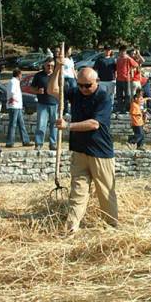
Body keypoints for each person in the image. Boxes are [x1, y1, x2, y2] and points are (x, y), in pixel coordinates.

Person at [48, 66, 118, 234]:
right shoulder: (76, 93)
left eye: (88, 85)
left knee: (106, 192)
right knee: (77, 192)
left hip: (100, 152)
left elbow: (94, 124)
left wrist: (68, 126)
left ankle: (112, 227)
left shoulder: (104, 97)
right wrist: (58, 67)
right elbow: (52, 89)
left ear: (97, 82)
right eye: (80, 85)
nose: (84, 89)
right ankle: (71, 228)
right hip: (79, 150)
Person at [31, 57, 58, 151]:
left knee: (54, 125)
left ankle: (53, 143)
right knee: (41, 125)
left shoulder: (57, 75)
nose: (49, 67)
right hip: (42, 104)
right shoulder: (38, 75)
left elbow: (62, 89)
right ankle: (38, 144)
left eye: (51, 65)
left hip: (55, 104)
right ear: (44, 65)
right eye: (48, 65)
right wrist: (38, 91)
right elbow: (32, 88)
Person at [5, 68, 31, 148]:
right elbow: (12, 92)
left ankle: (25, 140)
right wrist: (13, 99)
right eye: (21, 75)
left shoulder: (15, 82)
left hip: (18, 106)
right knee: (13, 124)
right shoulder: (13, 82)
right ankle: (10, 142)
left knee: (21, 124)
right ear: (19, 74)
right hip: (14, 106)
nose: (21, 76)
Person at [115, 45, 139, 113]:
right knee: (119, 95)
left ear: (125, 52)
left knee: (127, 95)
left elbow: (136, 65)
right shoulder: (118, 59)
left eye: (124, 51)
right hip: (118, 79)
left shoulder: (128, 58)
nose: (122, 53)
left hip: (126, 79)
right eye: (121, 51)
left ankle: (126, 109)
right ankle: (120, 109)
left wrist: (131, 70)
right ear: (119, 52)